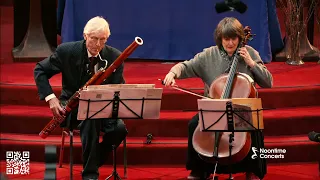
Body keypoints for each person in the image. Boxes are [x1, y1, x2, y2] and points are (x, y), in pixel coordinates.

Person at [163, 17, 273, 180]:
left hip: (242, 108)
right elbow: (186, 66)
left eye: (234, 38)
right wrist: (172, 73)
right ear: (220, 39)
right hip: (215, 108)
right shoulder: (209, 55)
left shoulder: (250, 53)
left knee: (254, 123)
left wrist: (251, 63)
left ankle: (253, 170)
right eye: (226, 39)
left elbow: (268, 82)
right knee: (194, 124)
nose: (230, 43)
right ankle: (199, 169)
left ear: (240, 38)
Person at [34, 16, 128, 180]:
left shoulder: (115, 57)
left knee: (119, 129)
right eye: (94, 39)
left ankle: (94, 159)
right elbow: (40, 70)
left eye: (102, 40)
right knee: (91, 120)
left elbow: (118, 88)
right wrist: (51, 98)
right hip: (71, 109)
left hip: (102, 110)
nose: (98, 45)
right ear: (85, 36)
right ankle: (90, 175)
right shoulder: (67, 51)